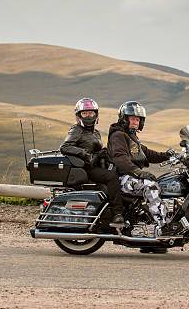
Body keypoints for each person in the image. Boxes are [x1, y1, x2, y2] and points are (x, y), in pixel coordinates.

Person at [107, 101, 173, 236]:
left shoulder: (131, 136)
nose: (135, 122)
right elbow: (120, 159)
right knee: (151, 186)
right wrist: (139, 172)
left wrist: (167, 155)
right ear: (124, 119)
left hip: (131, 176)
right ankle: (164, 226)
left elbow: (147, 153)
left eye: (138, 119)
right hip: (122, 178)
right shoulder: (118, 135)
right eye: (132, 118)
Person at [60, 97, 124, 226]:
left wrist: (104, 155)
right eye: (85, 113)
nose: (88, 116)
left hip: (94, 165)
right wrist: (86, 154)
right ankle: (118, 213)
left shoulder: (96, 133)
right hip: (86, 168)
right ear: (79, 116)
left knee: (119, 172)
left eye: (91, 113)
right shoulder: (77, 130)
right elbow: (65, 147)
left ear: (96, 114)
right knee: (111, 177)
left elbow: (97, 151)